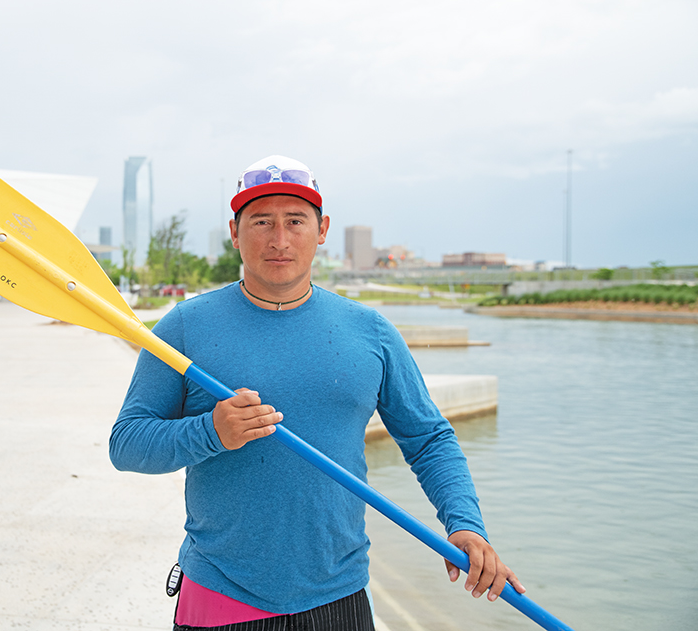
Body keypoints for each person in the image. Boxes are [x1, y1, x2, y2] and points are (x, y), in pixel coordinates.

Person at [109, 155, 524, 630]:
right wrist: (210, 431)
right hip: (220, 597)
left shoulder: (370, 332)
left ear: (322, 229)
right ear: (234, 232)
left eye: (295, 221)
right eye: (261, 221)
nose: (279, 239)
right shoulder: (185, 327)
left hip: (340, 598)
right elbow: (127, 444)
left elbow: (428, 439)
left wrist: (464, 523)